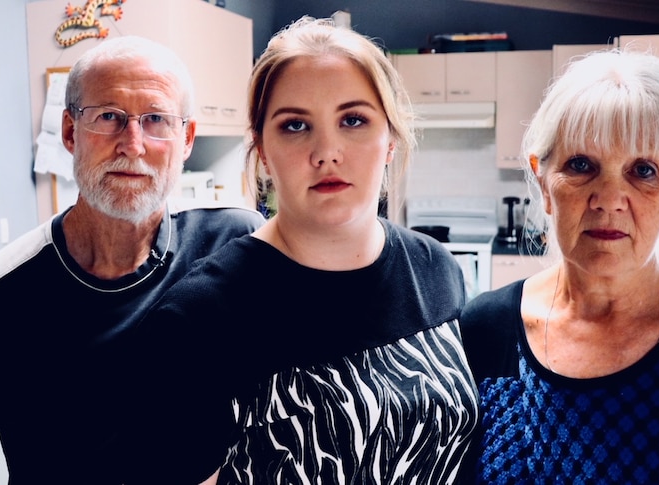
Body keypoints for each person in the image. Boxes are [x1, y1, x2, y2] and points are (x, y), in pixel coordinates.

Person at [0, 35, 263, 484]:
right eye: (109, 117)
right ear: (70, 132)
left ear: (185, 139)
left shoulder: (238, 244)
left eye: (156, 120)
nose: (133, 144)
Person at [137, 16, 479, 484]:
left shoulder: (436, 268)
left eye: (354, 120)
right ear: (261, 147)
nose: (327, 151)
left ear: (391, 141)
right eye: (296, 125)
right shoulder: (197, 320)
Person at [459, 48, 659, 483]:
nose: (608, 199)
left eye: (643, 170)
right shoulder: (484, 330)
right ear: (544, 182)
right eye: (581, 165)